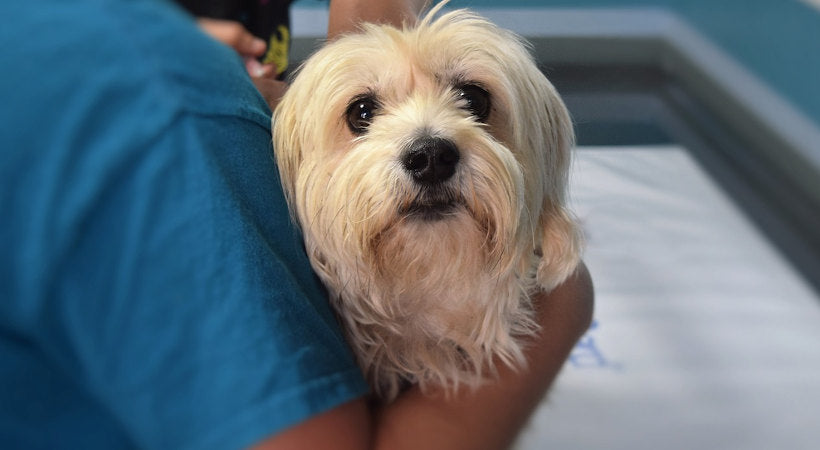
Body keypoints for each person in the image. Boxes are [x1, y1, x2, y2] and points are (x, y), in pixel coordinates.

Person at [0, 1, 593, 449]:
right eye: (364, 115)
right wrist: (565, 301)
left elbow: (369, 42)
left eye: (474, 99)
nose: (429, 145)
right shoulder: (170, 114)